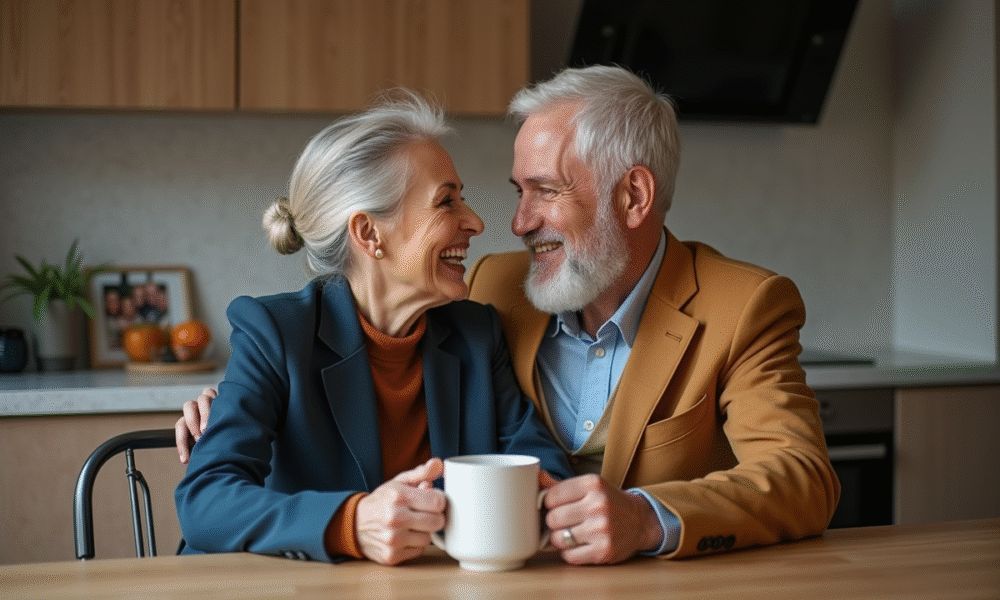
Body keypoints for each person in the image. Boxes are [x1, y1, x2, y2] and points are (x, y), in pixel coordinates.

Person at [177, 65, 840, 564]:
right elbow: (213, 492)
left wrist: (643, 518)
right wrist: (237, 402)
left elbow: (802, 477)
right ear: (369, 235)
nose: (506, 224)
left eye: (545, 191)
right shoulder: (488, 290)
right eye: (454, 202)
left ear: (633, 195)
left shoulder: (472, 320)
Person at [173, 92, 574, 566]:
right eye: (447, 202)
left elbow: (541, 467)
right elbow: (205, 500)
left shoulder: (476, 334)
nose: (475, 222)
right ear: (368, 234)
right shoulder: (277, 333)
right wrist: (351, 522)